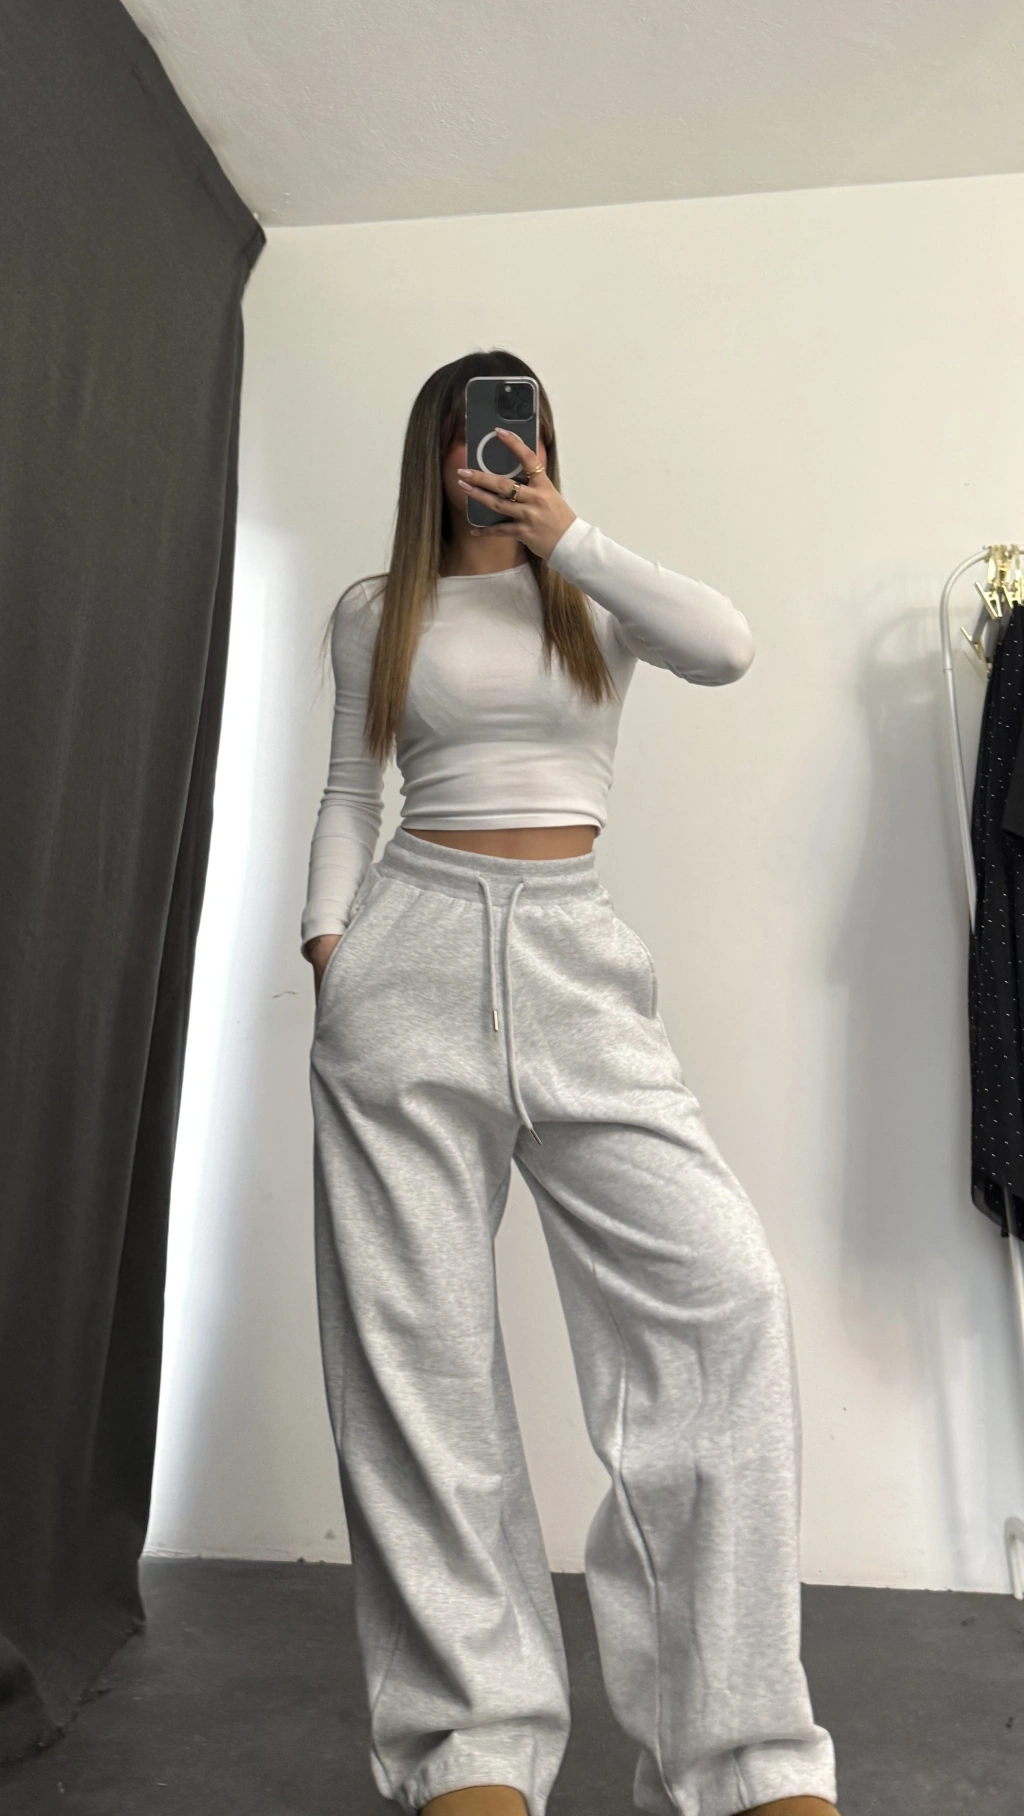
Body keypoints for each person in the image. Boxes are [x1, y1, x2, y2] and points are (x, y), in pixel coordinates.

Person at [302, 349, 841, 1816]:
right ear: (435, 450)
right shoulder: (375, 610)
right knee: (417, 1362)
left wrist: (568, 533)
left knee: (724, 1299)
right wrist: (331, 945)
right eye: (478, 433)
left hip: (573, 958)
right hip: (408, 956)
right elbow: (351, 791)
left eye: (522, 429)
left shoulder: (591, 596)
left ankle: (745, 1754)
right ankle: (469, 1747)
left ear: (542, 443)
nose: (498, 453)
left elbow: (728, 646)